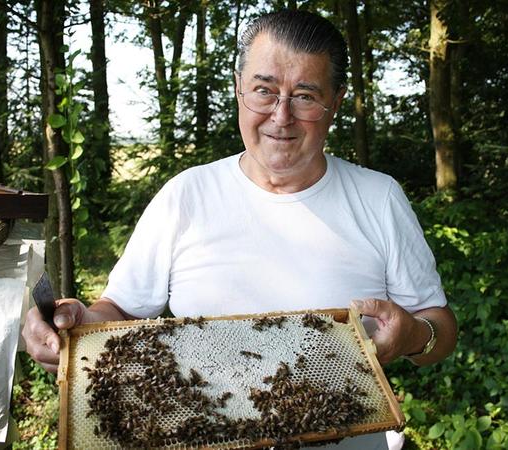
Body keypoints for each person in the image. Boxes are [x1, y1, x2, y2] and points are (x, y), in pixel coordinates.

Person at [22, 9, 457, 450]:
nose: (281, 116)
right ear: (238, 89)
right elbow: (118, 311)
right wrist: (75, 327)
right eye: (264, 91)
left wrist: (415, 335)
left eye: (305, 96)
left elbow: (439, 327)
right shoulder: (186, 194)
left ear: (336, 102)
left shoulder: (379, 198)